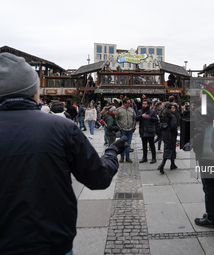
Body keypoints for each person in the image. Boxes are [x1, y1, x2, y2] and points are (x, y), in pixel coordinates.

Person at [0, 52, 128, 255]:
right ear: (34, 92)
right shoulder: (61, 128)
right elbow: (98, 178)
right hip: (49, 241)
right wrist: (112, 151)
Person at [192, 83, 214, 229]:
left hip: (206, 153)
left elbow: (203, 133)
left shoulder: (201, 110)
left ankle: (211, 217)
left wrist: (191, 142)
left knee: (209, 186)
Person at [157, 103, 178, 174]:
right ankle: (162, 165)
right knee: (169, 149)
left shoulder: (163, 114)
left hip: (165, 134)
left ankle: (172, 164)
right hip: (171, 135)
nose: (174, 110)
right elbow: (173, 126)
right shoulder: (172, 116)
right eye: (173, 108)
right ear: (169, 109)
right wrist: (176, 133)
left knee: (170, 148)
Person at [135, 100, 158, 164]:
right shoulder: (140, 111)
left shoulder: (152, 111)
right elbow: (136, 118)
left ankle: (154, 158)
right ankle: (144, 157)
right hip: (143, 130)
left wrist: (149, 117)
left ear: (148, 105)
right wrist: (141, 116)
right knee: (144, 145)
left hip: (150, 130)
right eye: (143, 104)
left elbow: (156, 119)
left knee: (152, 145)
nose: (143, 105)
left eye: (145, 104)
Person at [116, 97, 136, 163]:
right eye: (128, 103)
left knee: (128, 144)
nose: (130, 104)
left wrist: (133, 126)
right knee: (122, 144)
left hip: (130, 129)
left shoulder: (131, 110)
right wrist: (119, 127)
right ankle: (122, 157)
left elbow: (134, 118)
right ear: (124, 103)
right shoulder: (119, 110)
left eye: (130, 103)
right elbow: (116, 119)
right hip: (123, 129)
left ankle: (127, 157)